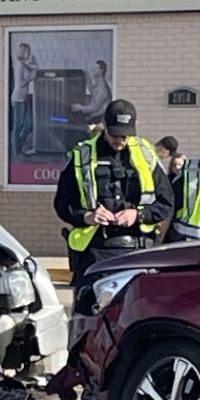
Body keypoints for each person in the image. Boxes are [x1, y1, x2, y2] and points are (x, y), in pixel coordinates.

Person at [54, 97, 173, 282]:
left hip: (138, 251)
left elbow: (166, 203)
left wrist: (138, 215)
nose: (120, 140)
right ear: (104, 124)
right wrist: (87, 217)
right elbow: (62, 203)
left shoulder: (146, 155)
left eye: (125, 135)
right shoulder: (82, 155)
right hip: (96, 252)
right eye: (115, 134)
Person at [9, 42, 38, 159]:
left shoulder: (25, 64)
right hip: (18, 98)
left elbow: (34, 68)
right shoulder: (19, 65)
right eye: (26, 51)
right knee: (18, 124)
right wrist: (30, 79)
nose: (28, 53)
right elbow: (20, 83)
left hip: (24, 98)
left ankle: (19, 144)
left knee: (28, 123)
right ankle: (16, 151)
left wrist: (33, 67)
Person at [72, 58, 112, 126]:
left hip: (99, 120)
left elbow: (94, 108)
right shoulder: (97, 85)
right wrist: (86, 75)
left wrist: (80, 108)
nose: (93, 70)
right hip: (95, 118)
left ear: (101, 71)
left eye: (96, 68)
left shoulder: (102, 88)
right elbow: (92, 90)